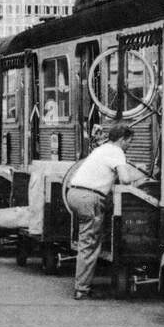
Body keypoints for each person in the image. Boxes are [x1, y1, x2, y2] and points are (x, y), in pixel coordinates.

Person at [65, 123, 143, 300]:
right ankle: (81, 289)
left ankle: (83, 283)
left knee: (89, 239)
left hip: (74, 193)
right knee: (89, 243)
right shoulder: (117, 152)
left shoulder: (102, 149)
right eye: (129, 142)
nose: (129, 146)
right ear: (122, 139)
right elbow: (125, 179)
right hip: (89, 198)